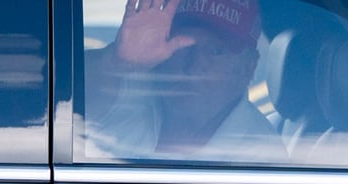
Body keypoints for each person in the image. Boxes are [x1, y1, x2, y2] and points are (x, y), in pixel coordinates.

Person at [84, 0, 285, 160]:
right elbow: (59, 100)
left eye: (217, 51)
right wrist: (115, 62)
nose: (194, 66)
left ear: (247, 68)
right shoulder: (127, 86)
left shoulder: (262, 157)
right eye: (183, 45)